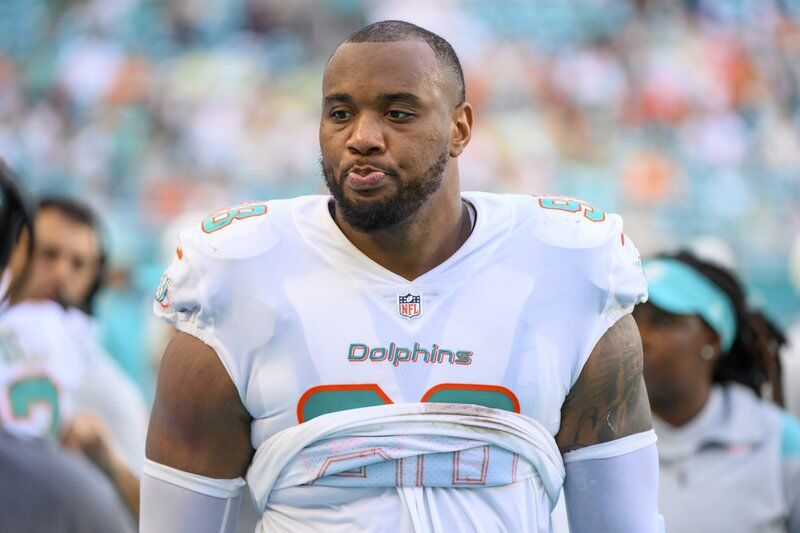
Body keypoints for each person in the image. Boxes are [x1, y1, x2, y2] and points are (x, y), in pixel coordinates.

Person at [143, 20, 662, 532]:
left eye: (398, 113)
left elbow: (623, 524)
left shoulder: (566, 267)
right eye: (340, 114)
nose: (362, 138)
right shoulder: (238, 275)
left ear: (460, 129)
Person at [0, 160, 134, 533]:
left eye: (78, 264)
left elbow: (153, 516)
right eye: (48, 253)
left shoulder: (109, 389)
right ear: (15, 252)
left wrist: (105, 459)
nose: (61, 273)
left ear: (94, 281)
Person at [634, 251, 800, 532]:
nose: (639, 336)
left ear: (712, 339)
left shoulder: (780, 442)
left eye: (663, 322)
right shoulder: (592, 440)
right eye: (630, 318)